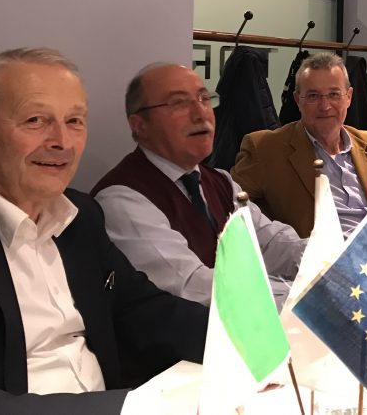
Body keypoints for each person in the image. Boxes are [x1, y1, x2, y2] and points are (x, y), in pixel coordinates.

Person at [0, 48, 207, 413]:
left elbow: (142, 308)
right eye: (35, 120)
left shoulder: (81, 216)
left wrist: (252, 340)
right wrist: (126, 408)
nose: (62, 141)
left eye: (74, 121)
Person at [93, 63, 306, 308]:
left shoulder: (221, 181)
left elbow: (269, 243)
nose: (201, 113)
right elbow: (193, 286)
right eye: (178, 103)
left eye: (204, 99)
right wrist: (302, 296)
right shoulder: (121, 198)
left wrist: (327, 261)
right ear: (140, 124)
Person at [231, 52, 367, 240]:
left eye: (334, 94)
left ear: (348, 97)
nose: (325, 106)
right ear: (297, 100)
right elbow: (230, 209)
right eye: (313, 96)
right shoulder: (265, 149)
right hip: (314, 262)